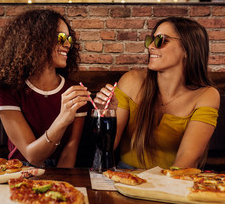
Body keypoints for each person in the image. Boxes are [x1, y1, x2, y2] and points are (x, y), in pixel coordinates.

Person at [94, 16, 220, 169]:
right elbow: (108, 146)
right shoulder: (132, 81)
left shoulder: (206, 95)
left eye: (161, 40)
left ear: (187, 49)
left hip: (173, 181)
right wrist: (106, 116)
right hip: (126, 177)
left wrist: (160, 187)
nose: (151, 46)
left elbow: (188, 158)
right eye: (151, 40)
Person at [0, 9, 90, 168]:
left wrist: (63, 187)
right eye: (61, 37)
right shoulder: (5, 90)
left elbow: (69, 152)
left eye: (69, 39)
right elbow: (32, 156)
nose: (67, 44)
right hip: (20, 171)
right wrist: (62, 119)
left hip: (62, 172)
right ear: (37, 39)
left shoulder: (73, 90)